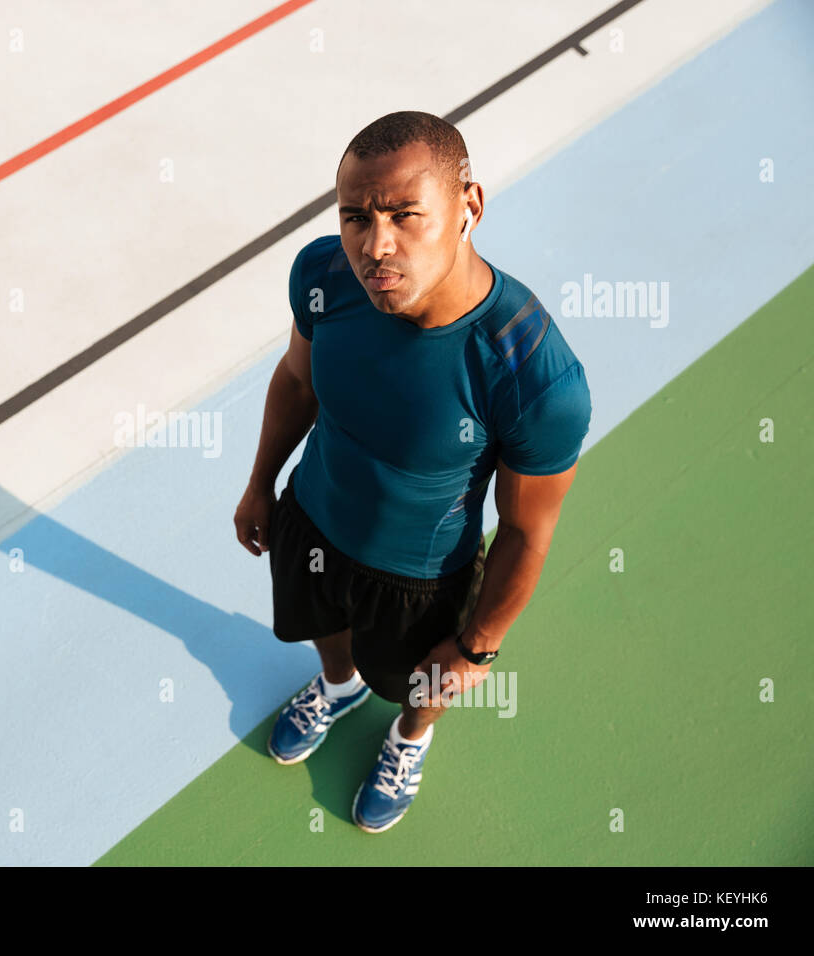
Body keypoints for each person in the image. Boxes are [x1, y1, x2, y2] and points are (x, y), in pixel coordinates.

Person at [234, 111, 592, 833]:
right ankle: (339, 687)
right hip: (312, 518)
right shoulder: (323, 274)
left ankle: (408, 739)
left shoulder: (532, 374)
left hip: (422, 581)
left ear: (469, 207)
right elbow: (299, 383)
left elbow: (525, 532)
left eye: (405, 215)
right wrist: (260, 482)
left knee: (423, 685)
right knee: (324, 628)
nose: (376, 245)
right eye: (356, 217)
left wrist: (477, 648)